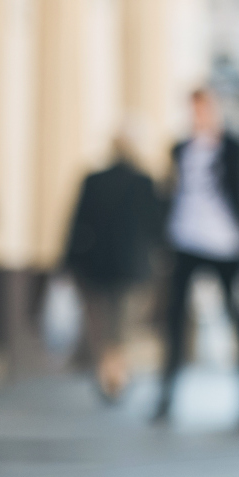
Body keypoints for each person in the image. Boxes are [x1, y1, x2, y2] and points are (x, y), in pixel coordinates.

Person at [156, 88, 239, 425]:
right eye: (194, 110)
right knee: (174, 318)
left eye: (204, 109)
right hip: (185, 241)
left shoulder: (235, 149)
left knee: (237, 318)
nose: (198, 116)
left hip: (226, 243)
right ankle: (166, 395)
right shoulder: (180, 150)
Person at [62, 127, 164, 403]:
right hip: (133, 267)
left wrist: (67, 263)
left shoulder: (93, 181)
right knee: (123, 326)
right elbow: (157, 228)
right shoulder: (143, 182)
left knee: (102, 324)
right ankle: (116, 375)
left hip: (96, 267)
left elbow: (76, 224)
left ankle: (109, 373)